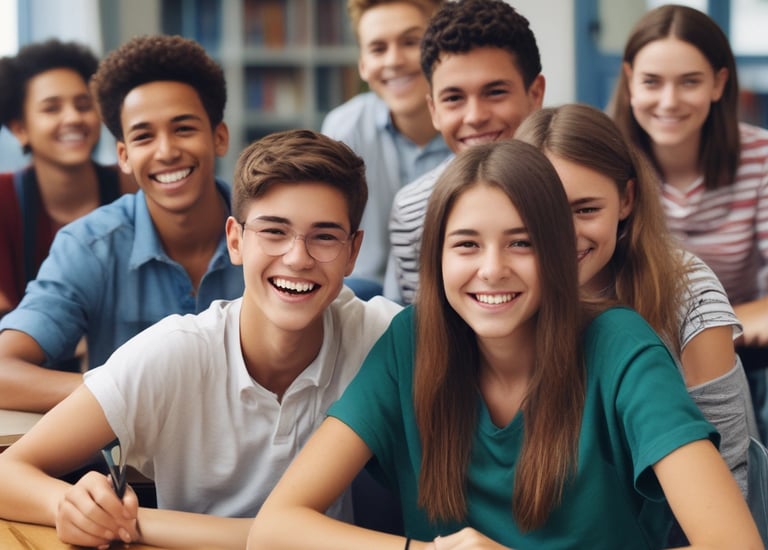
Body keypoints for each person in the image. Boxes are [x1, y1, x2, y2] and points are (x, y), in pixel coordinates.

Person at [250, 139, 761, 549]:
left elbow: (733, 542)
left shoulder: (621, 347)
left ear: (558, 252)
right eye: (467, 244)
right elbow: (277, 526)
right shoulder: (412, 339)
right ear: (437, 259)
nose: (492, 270)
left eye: (522, 243)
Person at [0, 129, 402, 550]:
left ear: (353, 251)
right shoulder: (177, 352)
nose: (298, 258)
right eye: (273, 232)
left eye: (324, 236)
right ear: (235, 240)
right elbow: (9, 472)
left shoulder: (379, 336)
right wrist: (71, 505)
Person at [515, 104, 755, 545]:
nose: (564, 234)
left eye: (586, 210)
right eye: (546, 211)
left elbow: (728, 471)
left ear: (626, 200)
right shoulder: (504, 291)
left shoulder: (688, 293)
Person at [0, 35, 244, 413]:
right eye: (144, 136)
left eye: (183, 129)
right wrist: (128, 390)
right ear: (124, 156)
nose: (166, 151)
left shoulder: (272, 233)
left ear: (220, 137)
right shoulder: (88, 245)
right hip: (127, 468)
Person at [607, 4, 768, 443]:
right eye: (652, 82)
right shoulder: (603, 164)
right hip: (634, 348)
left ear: (718, 83)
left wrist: (707, 330)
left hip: (742, 349)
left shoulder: (761, 158)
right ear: (629, 80)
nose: (669, 101)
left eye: (690, 82)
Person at [383, 0, 545, 304]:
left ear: (534, 94)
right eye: (454, 98)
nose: (474, 116)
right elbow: (421, 326)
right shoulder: (414, 212)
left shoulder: (574, 191)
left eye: (495, 92)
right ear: (433, 109)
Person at [321, 0, 452, 298]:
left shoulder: (471, 130)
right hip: (360, 301)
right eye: (378, 48)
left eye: (411, 42)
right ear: (363, 65)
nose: (394, 60)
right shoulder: (345, 128)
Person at [0, 39, 137, 317]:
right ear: (20, 129)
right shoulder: (3, 200)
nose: (73, 117)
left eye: (84, 104)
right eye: (52, 108)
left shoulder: (133, 188)